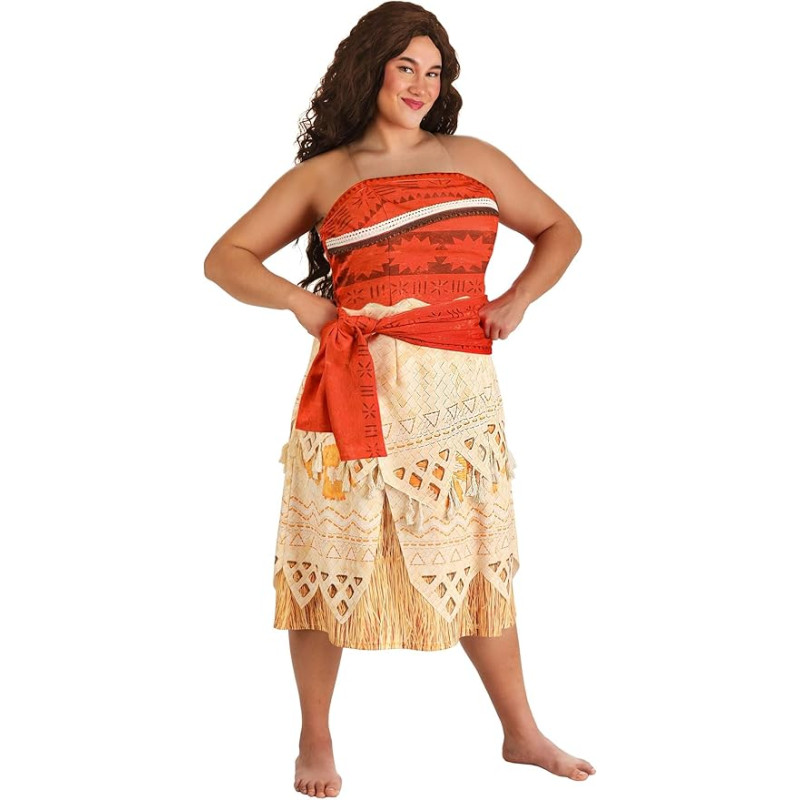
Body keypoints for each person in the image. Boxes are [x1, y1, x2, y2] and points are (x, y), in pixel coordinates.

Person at [204, 2, 594, 796]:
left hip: (459, 397)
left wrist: (518, 299)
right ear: (371, 69)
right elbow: (226, 257)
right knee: (328, 559)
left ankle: (521, 733)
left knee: (478, 556)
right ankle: (315, 738)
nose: (421, 84)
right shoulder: (326, 174)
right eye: (406, 66)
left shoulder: (474, 157)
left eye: (434, 72)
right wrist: (303, 303)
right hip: (354, 390)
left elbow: (560, 229)